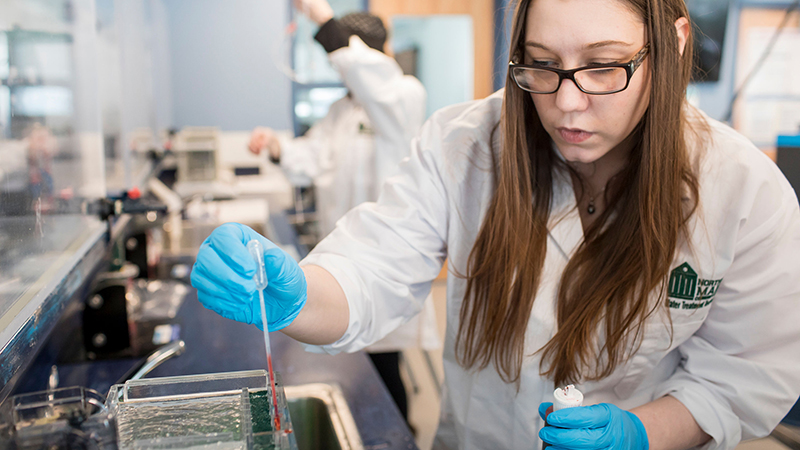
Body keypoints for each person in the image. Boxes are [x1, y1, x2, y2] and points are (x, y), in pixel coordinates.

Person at [191, 0, 800, 448]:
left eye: (603, 66)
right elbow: (372, 270)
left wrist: (641, 433)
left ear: (675, 42)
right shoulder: (465, 145)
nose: (566, 102)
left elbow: (743, 376)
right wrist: (297, 295)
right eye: (541, 64)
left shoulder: (742, 191)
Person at [247, 0, 437, 423]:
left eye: (342, 57)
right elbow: (313, 157)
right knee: (359, 362)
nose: (338, 68)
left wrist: (322, 18)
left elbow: (373, 80)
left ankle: (398, 434)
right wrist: (276, 147)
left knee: (385, 365)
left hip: (386, 261)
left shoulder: (402, 96)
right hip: (346, 255)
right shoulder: (342, 110)